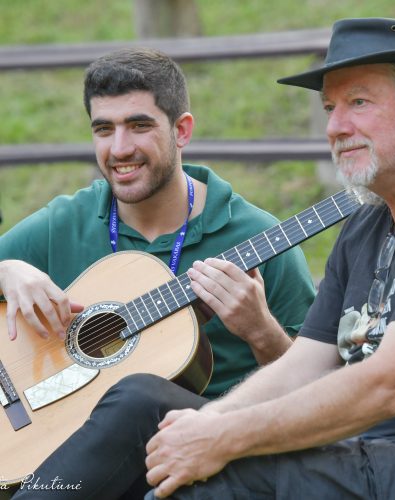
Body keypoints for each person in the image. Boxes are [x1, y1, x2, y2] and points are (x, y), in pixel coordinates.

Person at [139, 18, 395, 499]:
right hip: (377, 450)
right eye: (330, 107)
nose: (334, 127)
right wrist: (206, 424)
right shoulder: (368, 221)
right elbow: (303, 365)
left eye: (358, 103)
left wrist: (222, 439)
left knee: (217, 480)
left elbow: (388, 386)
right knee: (138, 407)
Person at [0, 48, 316, 498]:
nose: (120, 148)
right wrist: (7, 270)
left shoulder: (259, 238)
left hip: (205, 466)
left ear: (181, 130)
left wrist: (262, 332)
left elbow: (319, 393)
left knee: (137, 396)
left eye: (139, 125)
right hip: (61, 455)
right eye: (104, 129)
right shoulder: (65, 222)